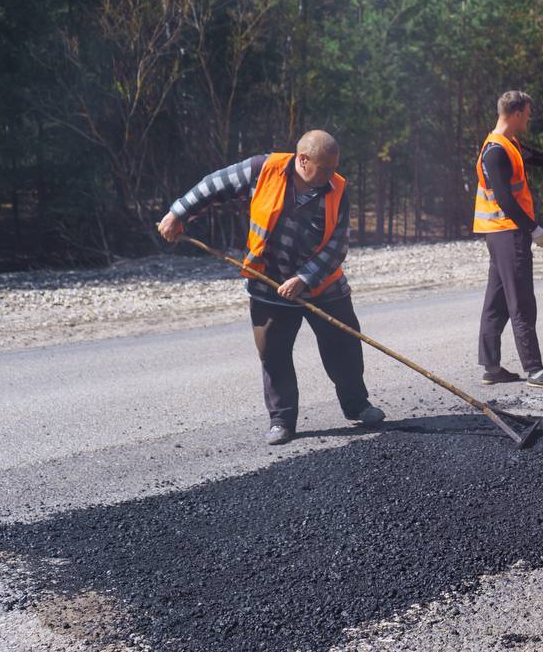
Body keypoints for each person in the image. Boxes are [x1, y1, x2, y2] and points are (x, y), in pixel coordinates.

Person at [157, 130, 384, 445]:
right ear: (302, 160)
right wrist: (177, 213)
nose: (331, 175)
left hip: (324, 287)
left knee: (344, 347)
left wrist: (305, 278)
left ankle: (357, 405)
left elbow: (337, 246)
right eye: (324, 169)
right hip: (269, 284)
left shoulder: (338, 189)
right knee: (273, 354)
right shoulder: (263, 169)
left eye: (334, 168)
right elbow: (213, 186)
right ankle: (282, 421)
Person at [474, 90, 543, 389]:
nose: (529, 117)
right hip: (507, 233)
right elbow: (504, 198)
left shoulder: (507, 143)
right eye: (527, 113)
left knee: (497, 302)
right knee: (521, 303)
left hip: (501, 233)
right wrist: (533, 229)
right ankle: (535, 370)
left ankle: (491, 367)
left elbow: (530, 155)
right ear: (516, 114)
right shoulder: (495, 151)